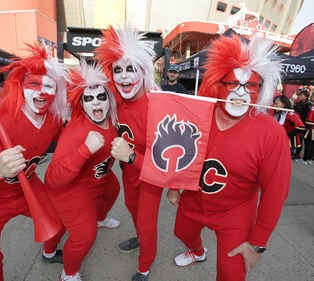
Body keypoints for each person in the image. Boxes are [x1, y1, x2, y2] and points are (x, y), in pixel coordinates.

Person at [167, 35, 291, 281]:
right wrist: (174, 187)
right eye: (233, 84)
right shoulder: (197, 115)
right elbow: (181, 152)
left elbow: (275, 193)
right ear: (218, 84)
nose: (240, 94)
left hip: (236, 212)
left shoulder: (272, 134)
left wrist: (257, 243)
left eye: (250, 86)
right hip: (193, 200)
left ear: (260, 90)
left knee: (231, 275)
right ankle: (198, 251)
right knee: (181, 232)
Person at [0, 44, 69, 281]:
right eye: (34, 84)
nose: (42, 93)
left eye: (49, 86)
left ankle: (49, 253)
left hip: (28, 186)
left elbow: (67, 142)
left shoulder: (52, 119)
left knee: (59, 221)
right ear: (20, 85)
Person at [95, 25, 163, 281]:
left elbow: (164, 162)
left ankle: (145, 266)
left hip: (150, 176)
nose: (124, 77)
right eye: (118, 70)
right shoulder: (117, 100)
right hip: (129, 172)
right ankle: (140, 238)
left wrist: (132, 157)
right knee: (132, 208)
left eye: (130, 69)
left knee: (146, 221)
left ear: (143, 70)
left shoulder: (158, 104)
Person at [45, 60, 120, 281]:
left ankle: (98, 217)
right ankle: (68, 274)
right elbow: (52, 178)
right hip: (72, 189)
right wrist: (84, 150)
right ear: (81, 103)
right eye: (89, 98)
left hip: (99, 178)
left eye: (101, 96)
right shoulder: (76, 132)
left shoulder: (113, 119)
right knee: (84, 236)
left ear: (109, 99)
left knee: (113, 189)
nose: (96, 101)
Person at [292, 89, 312, 163]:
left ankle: (299, 155)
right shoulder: (298, 102)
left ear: (306, 96)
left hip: (303, 124)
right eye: (299, 95)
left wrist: (298, 114)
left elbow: (306, 115)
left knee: (301, 139)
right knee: (297, 139)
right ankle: (296, 153)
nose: (299, 96)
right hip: (296, 122)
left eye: (301, 95)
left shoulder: (308, 105)